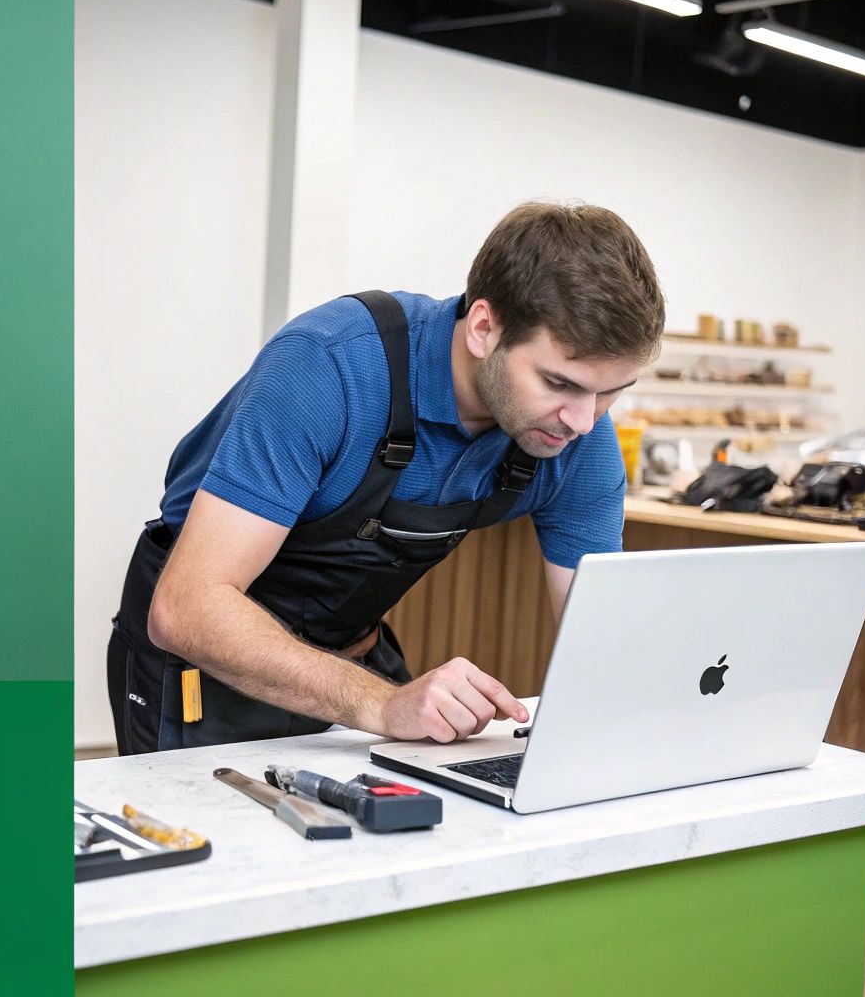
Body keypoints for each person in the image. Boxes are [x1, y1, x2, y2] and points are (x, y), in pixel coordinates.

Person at [107, 201, 665, 755]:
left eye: (612, 390)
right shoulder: (329, 368)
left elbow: (597, 644)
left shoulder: (579, 438)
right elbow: (185, 607)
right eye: (559, 383)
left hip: (352, 659)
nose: (584, 420)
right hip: (200, 664)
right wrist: (379, 705)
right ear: (484, 328)